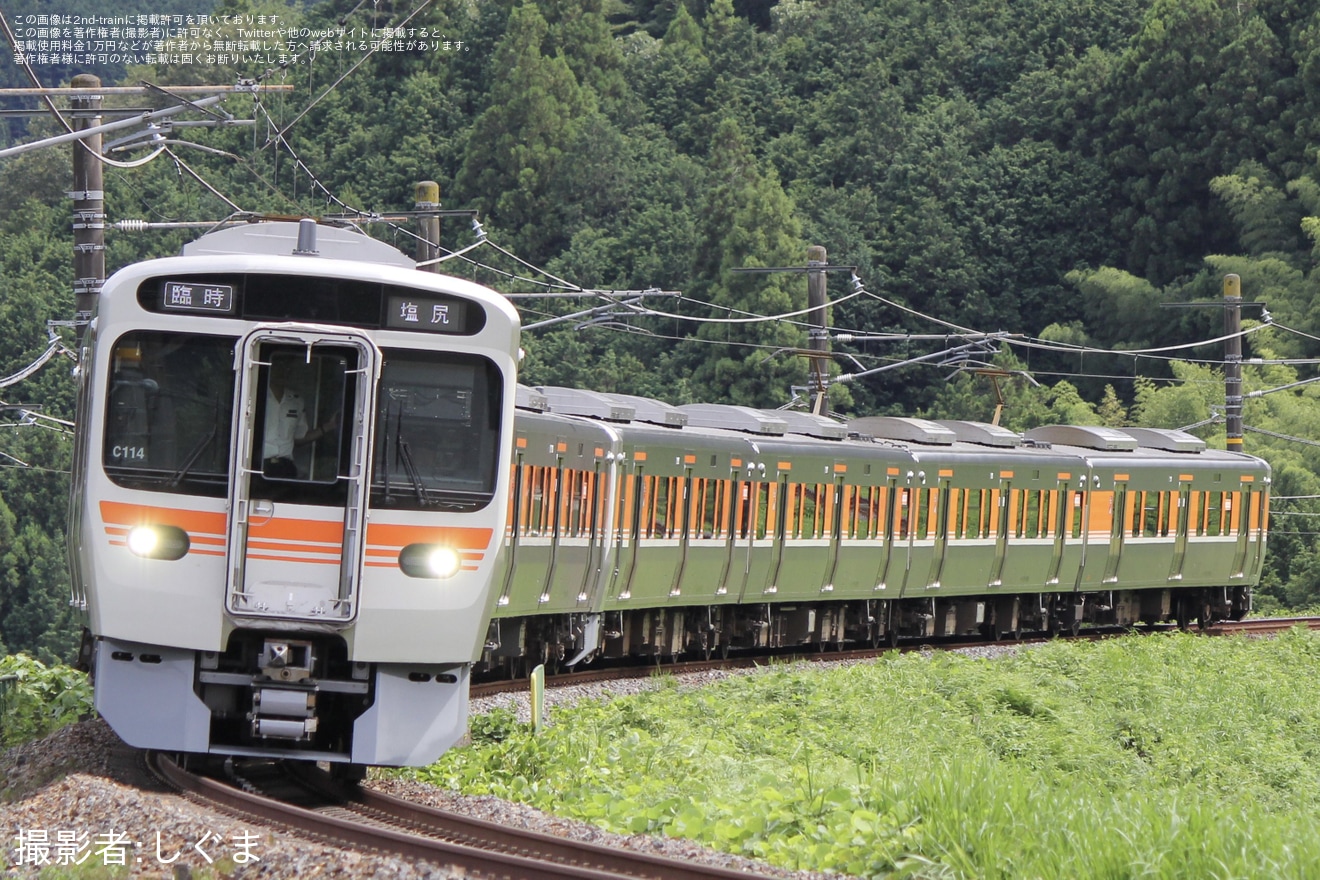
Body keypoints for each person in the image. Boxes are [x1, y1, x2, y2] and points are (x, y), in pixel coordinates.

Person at [262, 359, 337, 478]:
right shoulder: (256, 395)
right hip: (259, 465)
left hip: (285, 467)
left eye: (286, 368)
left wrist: (328, 426)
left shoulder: (296, 401)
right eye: (277, 367)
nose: (281, 372)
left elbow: (299, 438)